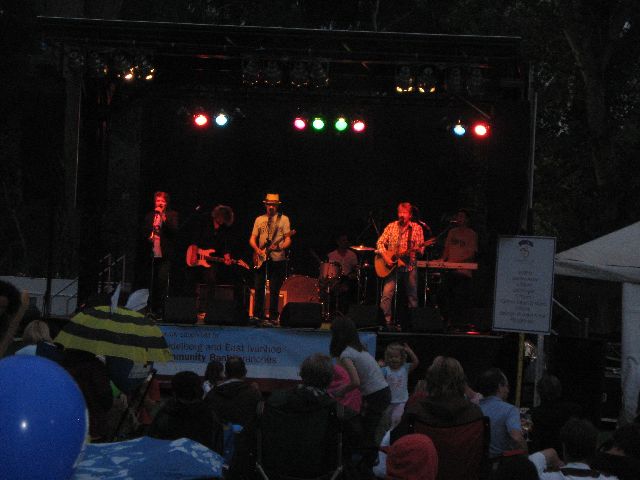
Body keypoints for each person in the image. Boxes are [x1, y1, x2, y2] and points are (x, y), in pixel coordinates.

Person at [329, 316, 390, 472]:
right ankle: (366, 462)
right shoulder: (359, 349)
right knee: (367, 428)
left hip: (375, 395)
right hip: (381, 392)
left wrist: (340, 391)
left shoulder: (346, 355)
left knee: (367, 431)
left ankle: (365, 466)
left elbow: (355, 381)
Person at [376, 202, 425, 330]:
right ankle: (384, 322)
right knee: (386, 294)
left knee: (412, 295)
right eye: (400, 212)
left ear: (410, 215)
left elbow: (421, 249)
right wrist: (386, 257)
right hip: (392, 266)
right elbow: (380, 242)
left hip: (409, 266)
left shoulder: (417, 228)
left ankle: (413, 323)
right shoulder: (391, 226)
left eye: (404, 212)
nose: (401, 215)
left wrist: (418, 249)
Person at [149, 370, 223, 453]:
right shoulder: (210, 415)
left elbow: (153, 444)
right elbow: (218, 447)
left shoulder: (165, 414)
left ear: (174, 392)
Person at [189, 205, 245, 313]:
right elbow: (195, 238)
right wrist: (194, 253)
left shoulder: (223, 229)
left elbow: (225, 245)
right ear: (218, 216)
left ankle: (208, 309)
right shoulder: (205, 223)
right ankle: (191, 306)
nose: (223, 221)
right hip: (196, 254)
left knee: (211, 280)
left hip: (211, 259)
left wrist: (227, 258)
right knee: (191, 279)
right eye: (222, 218)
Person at [249, 193, 292, 322]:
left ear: (277, 206)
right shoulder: (259, 219)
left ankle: (273, 316)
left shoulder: (284, 219)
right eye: (269, 204)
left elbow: (288, 239)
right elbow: (252, 238)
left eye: (273, 205)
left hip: (278, 258)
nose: (271, 207)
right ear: (265, 205)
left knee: (274, 288)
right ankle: (257, 315)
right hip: (261, 258)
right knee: (259, 286)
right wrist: (257, 250)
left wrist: (280, 247)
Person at [529, 418, 619, 479]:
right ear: (594, 449)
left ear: (564, 447)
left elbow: (526, 469)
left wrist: (550, 453)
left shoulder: (546, 478)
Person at [438, 208, 478, 328]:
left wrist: (456, 262)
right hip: (450, 271)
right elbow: (446, 249)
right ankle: (446, 320)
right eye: (458, 216)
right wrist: (442, 260)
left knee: (459, 298)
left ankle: (458, 322)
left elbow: (472, 254)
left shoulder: (472, 234)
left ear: (467, 219)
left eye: (461, 216)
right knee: (443, 294)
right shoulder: (451, 232)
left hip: (463, 272)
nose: (458, 219)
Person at [477, 367, 528, 458]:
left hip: (480, 462)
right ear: (500, 387)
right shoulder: (510, 410)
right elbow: (517, 438)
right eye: (506, 386)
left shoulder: (475, 409)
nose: (508, 391)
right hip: (502, 461)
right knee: (551, 453)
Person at [143, 191, 179, 318]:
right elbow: (144, 231)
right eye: (158, 200)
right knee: (151, 280)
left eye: (162, 201)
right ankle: (150, 308)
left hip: (165, 253)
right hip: (152, 251)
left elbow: (174, 231)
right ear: (155, 202)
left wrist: (164, 218)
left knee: (162, 280)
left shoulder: (172, 214)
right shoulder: (150, 215)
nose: (160, 203)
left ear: (166, 203)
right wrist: (149, 236)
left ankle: (160, 309)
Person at [530, 372, 583, 453]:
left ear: (539, 392)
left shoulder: (534, 414)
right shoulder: (573, 410)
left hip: (542, 455)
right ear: (559, 390)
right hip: (566, 455)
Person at [204, 356, 262, 428]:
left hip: (220, 434)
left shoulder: (212, 394)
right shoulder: (253, 394)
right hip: (246, 434)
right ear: (245, 372)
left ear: (225, 373)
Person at [380, 342, 419, 429]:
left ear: (402, 358)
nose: (393, 359)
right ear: (387, 358)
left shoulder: (404, 368)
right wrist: (378, 365)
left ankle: (394, 432)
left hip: (401, 401)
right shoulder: (385, 370)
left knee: (396, 419)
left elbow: (416, 362)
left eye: (396, 357)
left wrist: (410, 352)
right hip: (388, 401)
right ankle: (388, 433)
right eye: (391, 357)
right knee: (386, 421)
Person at [326, 233, 359, 312]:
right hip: (335, 279)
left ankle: (345, 310)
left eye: (346, 240)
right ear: (338, 242)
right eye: (343, 240)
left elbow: (355, 270)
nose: (346, 242)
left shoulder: (352, 255)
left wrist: (352, 275)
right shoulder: (331, 255)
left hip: (347, 279)